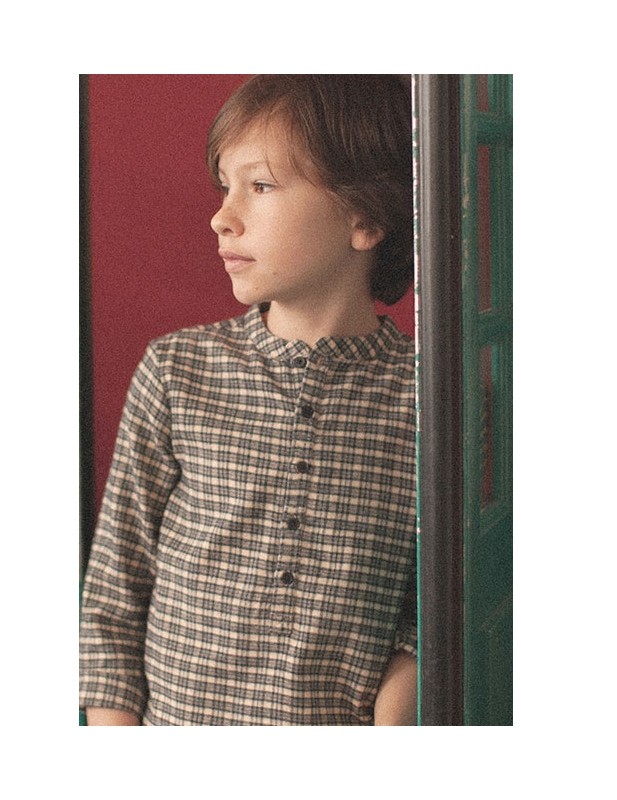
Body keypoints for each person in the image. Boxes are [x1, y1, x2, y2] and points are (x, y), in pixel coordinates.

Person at [80, 74, 417, 725]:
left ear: (366, 217)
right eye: (224, 186)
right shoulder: (178, 370)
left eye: (259, 186)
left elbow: (443, 602)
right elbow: (115, 593)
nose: (222, 216)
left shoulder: (429, 397)